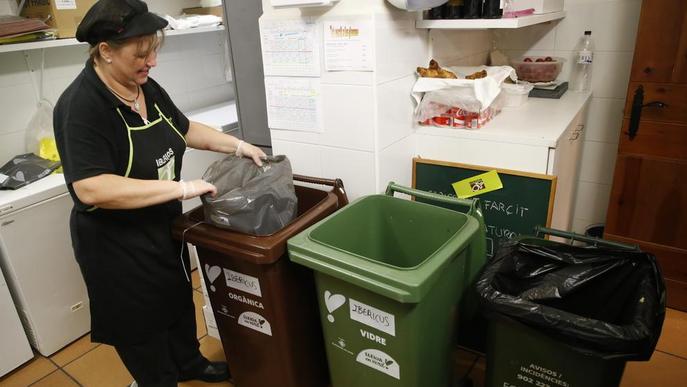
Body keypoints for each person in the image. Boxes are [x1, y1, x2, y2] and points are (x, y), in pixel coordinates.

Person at [53, 1, 266, 386]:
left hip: (162, 226)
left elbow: (182, 128)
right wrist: (182, 187)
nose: (151, 61)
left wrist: (237, 146)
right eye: (141, 53)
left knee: (177, 304)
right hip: (118, 246)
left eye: (154, 50)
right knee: (144, 331)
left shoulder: (145, 88)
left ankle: (191, 363)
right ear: (105, 51)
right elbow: (91, 187)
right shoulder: (82, 107)